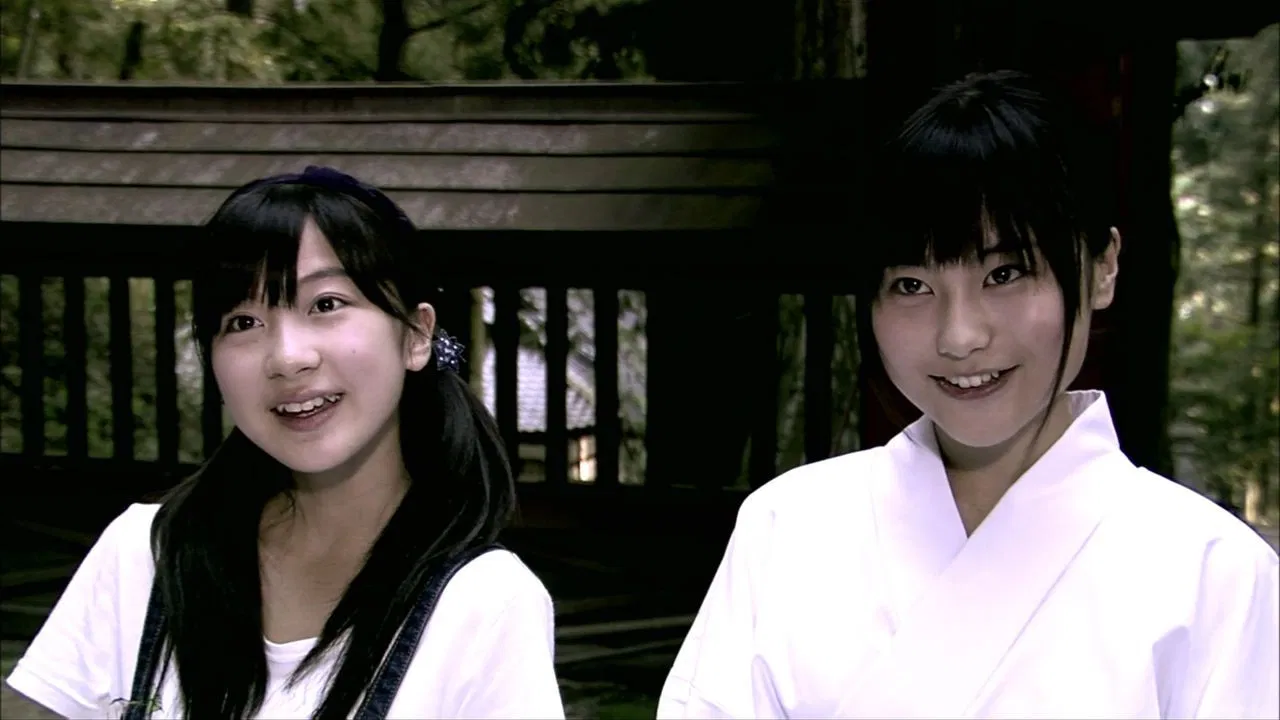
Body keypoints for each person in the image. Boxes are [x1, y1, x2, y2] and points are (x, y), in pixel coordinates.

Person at [656, 71, 1279, 719]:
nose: (959, 337)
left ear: (1103, 266)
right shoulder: (789, 528)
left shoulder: (1216, 574)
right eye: (912, 286)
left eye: (1004, 273)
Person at [5, 167, 566, 719]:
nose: (287, 357)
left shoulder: (486, 602)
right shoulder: (144, 554)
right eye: (242, 322)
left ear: (416, 334)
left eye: (326, 304)